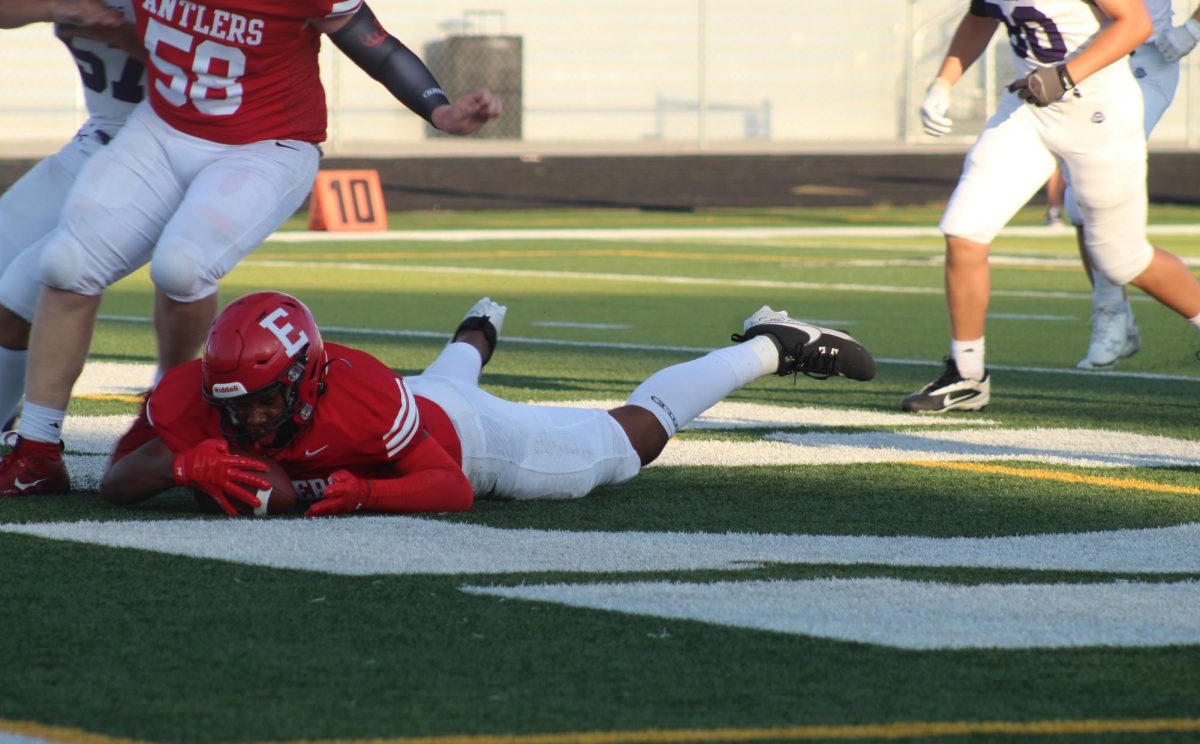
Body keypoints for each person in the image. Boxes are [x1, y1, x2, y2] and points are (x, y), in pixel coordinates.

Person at [0, 0, 503, 495]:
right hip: (164, 126)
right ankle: (38, 451)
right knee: (66, 262)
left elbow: (374, 46)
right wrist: (62, 9)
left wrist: (439, 109)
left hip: (266, 144)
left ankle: (172, 411)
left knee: (182, 267)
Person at [97, 292, 877, 513]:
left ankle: (770, 344)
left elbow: (451, 487)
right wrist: (176, 464)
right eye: (235, 405)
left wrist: (362, 491)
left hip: (472, 439)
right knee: (447, 375)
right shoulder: (198, 396)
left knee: (629, 443)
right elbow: (115, 483)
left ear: (305, 377)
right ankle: (477, 327)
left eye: (266, 403)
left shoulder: (359, 395)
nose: (248, 421)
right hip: (428, 395)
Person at [905, 0, 1200, 413]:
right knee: (963, 228)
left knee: (1122, 260)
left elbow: (1135, 22)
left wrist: (1065, 75)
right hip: (1031, 107)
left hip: (1100, 108)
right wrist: (943, 82)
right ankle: (967, 376)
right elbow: (983, 11)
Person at [0, 0, 150, 433]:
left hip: (168, 155)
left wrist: (115, 31)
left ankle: (28, 434)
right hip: (100, 137)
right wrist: (66, 9)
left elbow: (203, 70)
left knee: (21, 296)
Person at [1062, 0, 1200, 370]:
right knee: (1077, 200)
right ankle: (1113, 314)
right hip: (1087, 64)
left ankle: (1111, 315)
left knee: (1092, 191)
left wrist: (1193, 28)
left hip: (1146, 63)